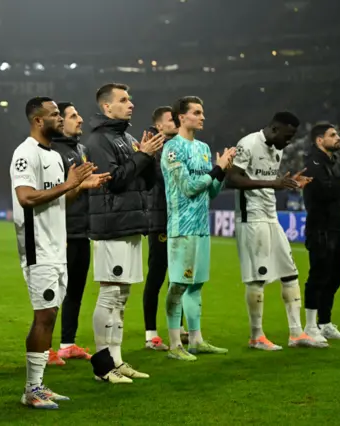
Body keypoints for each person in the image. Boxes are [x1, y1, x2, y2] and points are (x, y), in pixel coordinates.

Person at [11, 96, 110, 409]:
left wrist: (79, 187)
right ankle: (31, 389)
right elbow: (26, 198)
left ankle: (38, 385)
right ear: (38, 120)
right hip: (37, 247)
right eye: (54, 114)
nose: (59, 118)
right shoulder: (24, 153)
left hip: (57, 246)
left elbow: (58, 200)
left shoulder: (54, 156)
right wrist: (69, 184)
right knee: (43, 316)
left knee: (50, 313)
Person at [84, 83, 165, 383]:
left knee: (123, 295)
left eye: (130, 98)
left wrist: (148, 156)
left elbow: (148, 181)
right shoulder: (98, 140)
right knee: (110, 294)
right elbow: (114, 181)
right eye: (123, 100)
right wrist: (141, 155)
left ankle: (116, 360)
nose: (130, 104)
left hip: (130, 223)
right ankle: (103, 366)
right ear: (107, 107)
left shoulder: (127, 138)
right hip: (111, 225)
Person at [227, 112, 328, 350]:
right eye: (288, 135)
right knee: (257, 277)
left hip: (271, 216)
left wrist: (288, 183)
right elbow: (232, 179)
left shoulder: (277, 149)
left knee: (290, 273)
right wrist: (273, 183)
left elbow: (268, 182)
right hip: (251, 217)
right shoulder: (248, 144)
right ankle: (256, 336)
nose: (290, 141)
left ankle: (296, 334)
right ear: (274, 129)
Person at [161, 96, 234, 361]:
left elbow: (211, 190)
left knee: (196, 286)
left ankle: (196, 340)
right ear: (182, 117)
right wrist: (216, 169)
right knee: (179, 284)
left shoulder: (203, 147)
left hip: (202, 226)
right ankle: (173, 345)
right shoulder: (172, 149)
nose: (202, 117)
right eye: (197, 112)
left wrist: (222, 173)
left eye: (203, 112)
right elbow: (188, 187)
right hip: (182, 227)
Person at [302, 122, 340, 340]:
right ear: (319, 140)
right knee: (318, 276)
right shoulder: (312, 162)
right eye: (333, 135)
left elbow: (338, 195)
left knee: (334, 277)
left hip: (336, 226)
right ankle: (309, 326)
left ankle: (325, 323)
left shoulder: (335, 162)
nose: (338, 138)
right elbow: (322, 191)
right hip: (320, 229)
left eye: (338, 134)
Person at [50, 102, 92, 362]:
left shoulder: (82, 150)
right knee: (54, 292)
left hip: (82, 229)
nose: (80, 120)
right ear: (60, 122)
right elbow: (56, 194)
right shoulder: (53, 152)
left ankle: (67, 342)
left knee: (76, 290)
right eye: (74, 116)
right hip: (61, 232)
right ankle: (45, 348)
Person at [142, 106, 183, 351]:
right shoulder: (152, 150)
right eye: (171, 119)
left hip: (181, 219)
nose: (176, 122)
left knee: (179, 278)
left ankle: (177, 330)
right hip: (160, 219)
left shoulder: (180, 146)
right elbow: (159, 178)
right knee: (157, 276)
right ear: (159, 126)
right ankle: (151, 334)